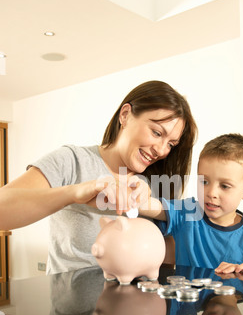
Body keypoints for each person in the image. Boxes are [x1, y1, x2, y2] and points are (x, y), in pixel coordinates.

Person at [0, 81, 198, 274]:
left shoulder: (155, 182)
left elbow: (169, 251)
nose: (162, 150)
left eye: (171, 144)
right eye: (156, 133)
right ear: (126, 115)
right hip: (76, 305)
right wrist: (74, 193)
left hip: (138, 304)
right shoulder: (72, 161)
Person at [137, 133, 243, 275]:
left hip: (232, 296)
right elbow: (149, 206)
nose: (211, 193)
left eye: (224, 186)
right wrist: (136, 192)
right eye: (204, 182)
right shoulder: (188, 213)